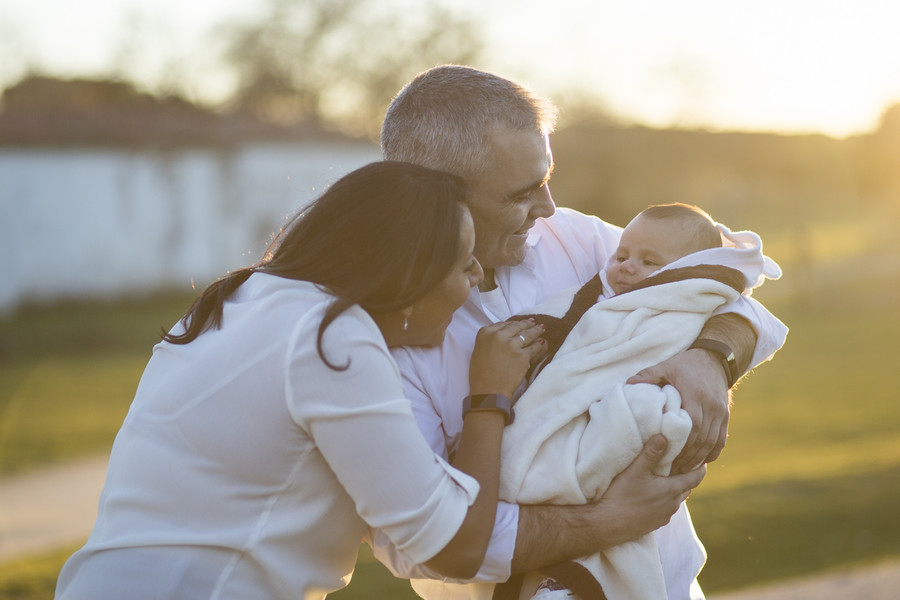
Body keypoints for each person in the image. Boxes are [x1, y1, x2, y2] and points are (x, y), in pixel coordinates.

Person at [371, 65, 789, 600]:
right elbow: (415, 541)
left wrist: (712, 357)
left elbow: (717, 286)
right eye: (522, 193)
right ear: (436, 197)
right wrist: (603, 521)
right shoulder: (376, 333)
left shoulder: (576, 237)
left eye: (547, 178)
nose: (547, 207)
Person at [53, 161, 549, 600]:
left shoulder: (235, 300)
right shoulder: (329, 337)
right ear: (409, 279)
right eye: (465, 264)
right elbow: (455, 549)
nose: (477, 276)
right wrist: (489, 396)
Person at [487, 203, 785, 600]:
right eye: (623, 256)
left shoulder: (676, 287)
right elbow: (561, 315)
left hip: (642, 423)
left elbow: (749, 311)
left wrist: (711, 358)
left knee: (643, 418)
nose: (626, 266)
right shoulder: (605, 290)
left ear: (688, 268)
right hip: (503, 541)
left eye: (647, 261)